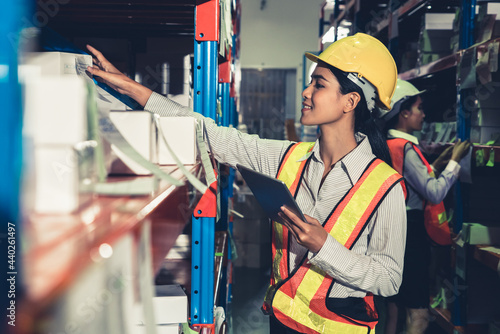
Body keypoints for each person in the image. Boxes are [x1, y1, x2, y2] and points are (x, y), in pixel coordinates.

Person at [86, 33, 407, 334]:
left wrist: (324, 246)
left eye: (319, 84)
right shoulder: (289, 158)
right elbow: (211, 135)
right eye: (310, 81)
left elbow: (390, 280)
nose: (306, 91)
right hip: (281, 321)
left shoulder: (385, 186)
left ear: (350, 102)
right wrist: (132, 88)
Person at [378, 79, 471, 334]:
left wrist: (438, 163)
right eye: (419, 108)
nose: (423, 113)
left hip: (393, 230)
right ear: (404, 113)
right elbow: (434, 190)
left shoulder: (388, 145)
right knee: (417, 311)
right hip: (412, 234)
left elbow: (409, 178)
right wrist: (454, 162)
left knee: (395, 308)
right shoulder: (406, 148)